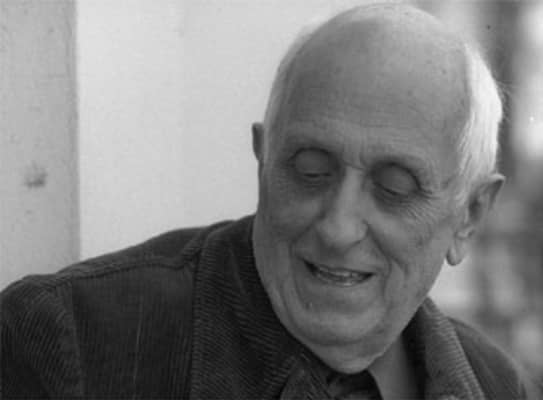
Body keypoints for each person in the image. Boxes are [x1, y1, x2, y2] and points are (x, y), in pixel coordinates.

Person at [2, 3, 541, 399]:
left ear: (469, 216)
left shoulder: (498, 385)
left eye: (394, 188)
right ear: (263, 158)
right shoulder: (67, 341)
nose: (338, 227)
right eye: (310, 171)